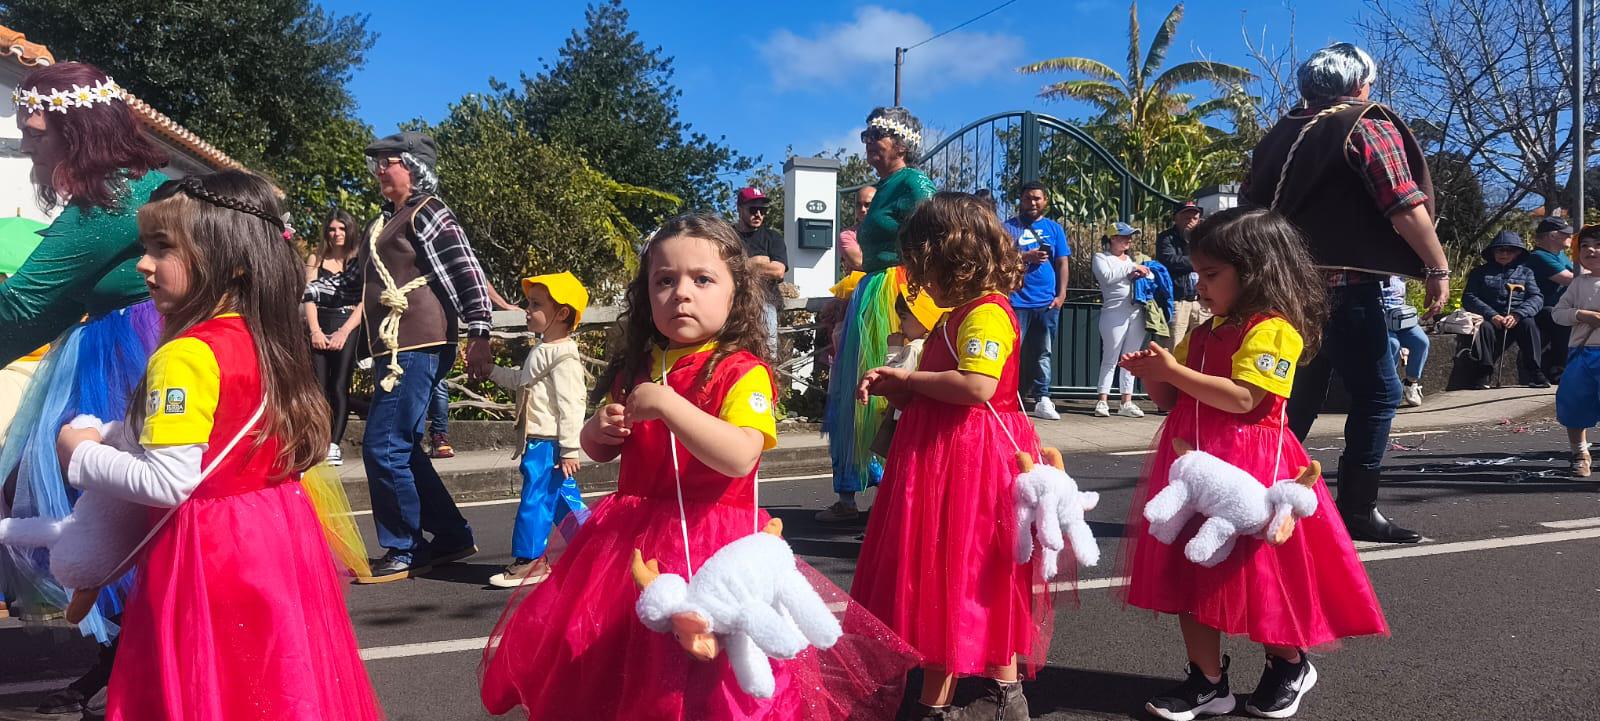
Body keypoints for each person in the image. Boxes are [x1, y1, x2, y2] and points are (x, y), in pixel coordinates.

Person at [478, 214, 917, 721]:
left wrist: (668, 406)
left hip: (717, 543)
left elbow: (739, 454)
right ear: (646, 294)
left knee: (715, 677)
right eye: (665, 280)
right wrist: (600, 429)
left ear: (737, 294)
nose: (681, 293)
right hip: (633, 546)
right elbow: (598, 451)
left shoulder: (741, 370)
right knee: (628, 668)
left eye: (702, 279)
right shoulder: (641, 367)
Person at [55, 171, 383, 720]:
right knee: (271, 679)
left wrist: (78, 452)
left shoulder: (183, 356)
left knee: (206, 683)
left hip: (208, 550)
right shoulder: (262, 341)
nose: (143, 264)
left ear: (226, 259)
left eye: (162, 248)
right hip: (273, 534)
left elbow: (169, 480)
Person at [1120, 208, 1387, 721]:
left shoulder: (1274, 330)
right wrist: (1157, 373)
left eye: (1213, 274)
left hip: (1253, 466)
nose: (1200, 285)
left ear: (1257, 270)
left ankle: (1288, 662)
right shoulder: (1205, 330)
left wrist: (1174, 369)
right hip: (1195, 460)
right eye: (1199, 273)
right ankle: (1207, 681)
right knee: (1189, 572)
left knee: (1257, 573)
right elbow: (1171, 399)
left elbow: (1246, 399)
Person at [0, 61, 169, 712]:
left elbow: (24, 306)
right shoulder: (128, 185)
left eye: (36, 134)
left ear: (76, 130)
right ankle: (123, 650)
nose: (30, 148)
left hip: (132, 355)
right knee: (114, 508)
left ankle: (135, 656)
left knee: (101, 506)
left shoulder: (111, 197)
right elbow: (46, 305)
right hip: (120, 345)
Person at [853, 192, 1054, 721]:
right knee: (971, 572)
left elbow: (977, 385)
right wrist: (902, 391)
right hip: (946, 453)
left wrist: (908, 378)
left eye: (924, 268)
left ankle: (937, 704)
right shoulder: (960, 313)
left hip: (968, 459)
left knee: (953, 571)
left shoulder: (985, 314)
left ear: (951, 258)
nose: (921, 281)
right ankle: (1002, 694)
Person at [1244, 42, 1453, 544]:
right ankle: (1357, 510)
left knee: (1298, 397)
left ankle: (1261, 497)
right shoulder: (1363, 122)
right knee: (1380, 392)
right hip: (1344, 286)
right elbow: (1404, 205)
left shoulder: (1281, 132)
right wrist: (1437, 265)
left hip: (1283, 286)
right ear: (1360, 84)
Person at [303, 131, 488, 583]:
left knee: (382, 445)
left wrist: (480, 331)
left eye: (389, 162)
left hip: (419, 343)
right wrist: (296, 292)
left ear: (414, 166)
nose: (380, 170)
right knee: (401, 446)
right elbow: (353, 286)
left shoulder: (429, 213)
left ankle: (405, 547)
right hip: (393, 346)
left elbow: (465, 271)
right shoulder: (382, 223)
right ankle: (449, 535)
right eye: (378, 163)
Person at [819, 106, 936, 523]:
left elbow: (932, 237)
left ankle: (897, 496)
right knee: (854, 392)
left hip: (899, 290)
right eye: (866, 137)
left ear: (901, 143)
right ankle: (850, 494)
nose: (869, 144)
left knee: (889, 386)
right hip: (872, 289)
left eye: (877, 137)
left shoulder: (914, 182)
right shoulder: (884, 186)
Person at [483, 272, 591, 588]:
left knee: (536, 497)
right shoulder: (544, 349)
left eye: (536, 304)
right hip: (542, 441)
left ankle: (530, 560)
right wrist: (491, 371)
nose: (527, 310)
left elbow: (572, 405)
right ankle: (596, 547)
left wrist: (570, 448)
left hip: (549, 443)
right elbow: (522, 382)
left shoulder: (563, 356)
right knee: (560, 499)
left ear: (562, 313)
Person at [1005, 181, 1071, 420]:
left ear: (1045, 201)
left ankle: (1043, 398)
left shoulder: (1054, 229)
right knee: (1012, 352)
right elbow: (1000, 260)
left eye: (1037, 199)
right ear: (1020, 201)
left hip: (1046, 302)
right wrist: (1025, 256)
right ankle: (1009, 396)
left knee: (1044, 352)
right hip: (1016, 301)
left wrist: (1061, 294)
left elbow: (1062, 262)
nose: (1032, 203)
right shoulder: (1007, 228)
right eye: (1027, 198)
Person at [304, 210, 364, 466]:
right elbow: (308, 296)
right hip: (321, 321)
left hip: (347, 323)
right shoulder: (316, 259)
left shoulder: (359, 260)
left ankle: (333, 444)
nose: (337, 234)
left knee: (339, 385)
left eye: (341, 228)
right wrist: (315, 330)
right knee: (317, 386)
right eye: (332, 229)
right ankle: (316, 440)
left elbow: (365, 301)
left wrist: (344, 331)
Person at [1461, 231, 1546, 388]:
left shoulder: (1526, 273)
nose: (1504, 254)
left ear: (1518, 253)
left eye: (1510, 250)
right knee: (1484, 327)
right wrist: (1492, 315)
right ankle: (1484, 371)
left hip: (1517, 317)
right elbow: (1469, 297)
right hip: (1490, 317)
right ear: (1493, 251)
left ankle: (1535, 371)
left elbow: (1537, 297)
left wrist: (1518, 314)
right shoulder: (1479, 272)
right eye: (1500, 250)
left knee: (1529, 324)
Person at [1552, 225, 1600, 477]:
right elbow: (1558, 314)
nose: (1591, 249)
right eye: (1585, 245)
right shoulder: (1577, 284)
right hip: (1581, 353)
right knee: (1574, 403)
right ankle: (1579, 453)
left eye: (1598, 244)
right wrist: (1581, 314)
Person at [1093, 222, 1151, 418]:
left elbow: (1149, 279)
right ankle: (1102, 400)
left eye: (1129, 237)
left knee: (1131, 358)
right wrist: (1133, 269)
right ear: (1112, 239)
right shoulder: (1101, 257)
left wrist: (1144, 272)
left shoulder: (1133, 260)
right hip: (1113, 313)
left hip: (1136, 312)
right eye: (1123, 237)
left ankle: (1126, 401)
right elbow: (1107, 277)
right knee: (1110, 357)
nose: (1128, 240)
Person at [733, 187, 788, 353]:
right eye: (753, 209)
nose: (758, 214)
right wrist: (757, 261)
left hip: (765, 303)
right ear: (739, 208)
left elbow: (778, 271)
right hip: (733, 305)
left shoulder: (773, 237)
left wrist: (742, 265)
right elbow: (720, 267)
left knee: (767, 355)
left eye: (762, 210)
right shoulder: (728, 236)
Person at [1524, 217, 1576, 381]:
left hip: (1562, 305)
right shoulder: (1538, 256)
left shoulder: (1560, 255)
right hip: (1542, 308)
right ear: (1552, 236)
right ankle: (1558, 369)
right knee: (1562, 318)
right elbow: (1569, 279)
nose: (1571, 237)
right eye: (1566, 234)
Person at [1155, 200, 1209, 348]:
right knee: (1174, 345)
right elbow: (1170, 260)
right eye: (1186, 217)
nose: (1191, 221)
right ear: (1176, 218)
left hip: (1201, 301)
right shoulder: (1167, 238)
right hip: (1179, 300)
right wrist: (1198, 259)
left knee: (1203, 344)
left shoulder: (1204, 238)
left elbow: (1213, 258)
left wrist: (1195, 238)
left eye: (1194, 218)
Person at [1381, 276, 1429, 407]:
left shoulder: (1399, 271)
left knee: (1421, 342)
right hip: (1381, 317)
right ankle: (1391, 388)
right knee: (1393, 344)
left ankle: (1410, 383)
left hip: (1401, 317)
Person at [836, 186, 875, 273]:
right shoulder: (847, 235)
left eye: (867, 205)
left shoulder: (893, 231)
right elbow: (859, 262)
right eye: (858, 205)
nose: (862, 209)